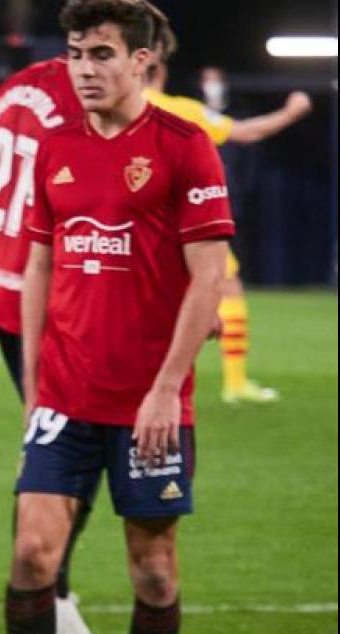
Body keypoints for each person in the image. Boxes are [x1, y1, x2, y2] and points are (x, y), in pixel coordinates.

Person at [0, 2, 233, 634]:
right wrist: (33, 386)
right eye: (76, 54)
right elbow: (40, 266)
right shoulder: (56, 147)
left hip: (149, 404)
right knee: (31, 556)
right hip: (65, 394)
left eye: (100, 55)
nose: (83, 69)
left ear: (143, 62)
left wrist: (166, 388)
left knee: (152, 569)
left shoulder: (185, 149)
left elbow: (208, 277)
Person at [0, 27, 123, 634]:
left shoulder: (20, 86)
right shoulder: (92, 103)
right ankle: (53, 602)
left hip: (4, 286)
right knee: (73, 448)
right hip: (56, 299)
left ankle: (50, 598)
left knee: (60, 441)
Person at [140, 17, 312, 404]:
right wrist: (292, 111)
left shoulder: (116, 109)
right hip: (182, 222)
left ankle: (135, 380)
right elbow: (246, 133)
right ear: (160, 70)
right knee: (225, 288)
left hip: (134, 223)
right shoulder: (181, 110)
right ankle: (233, 382)